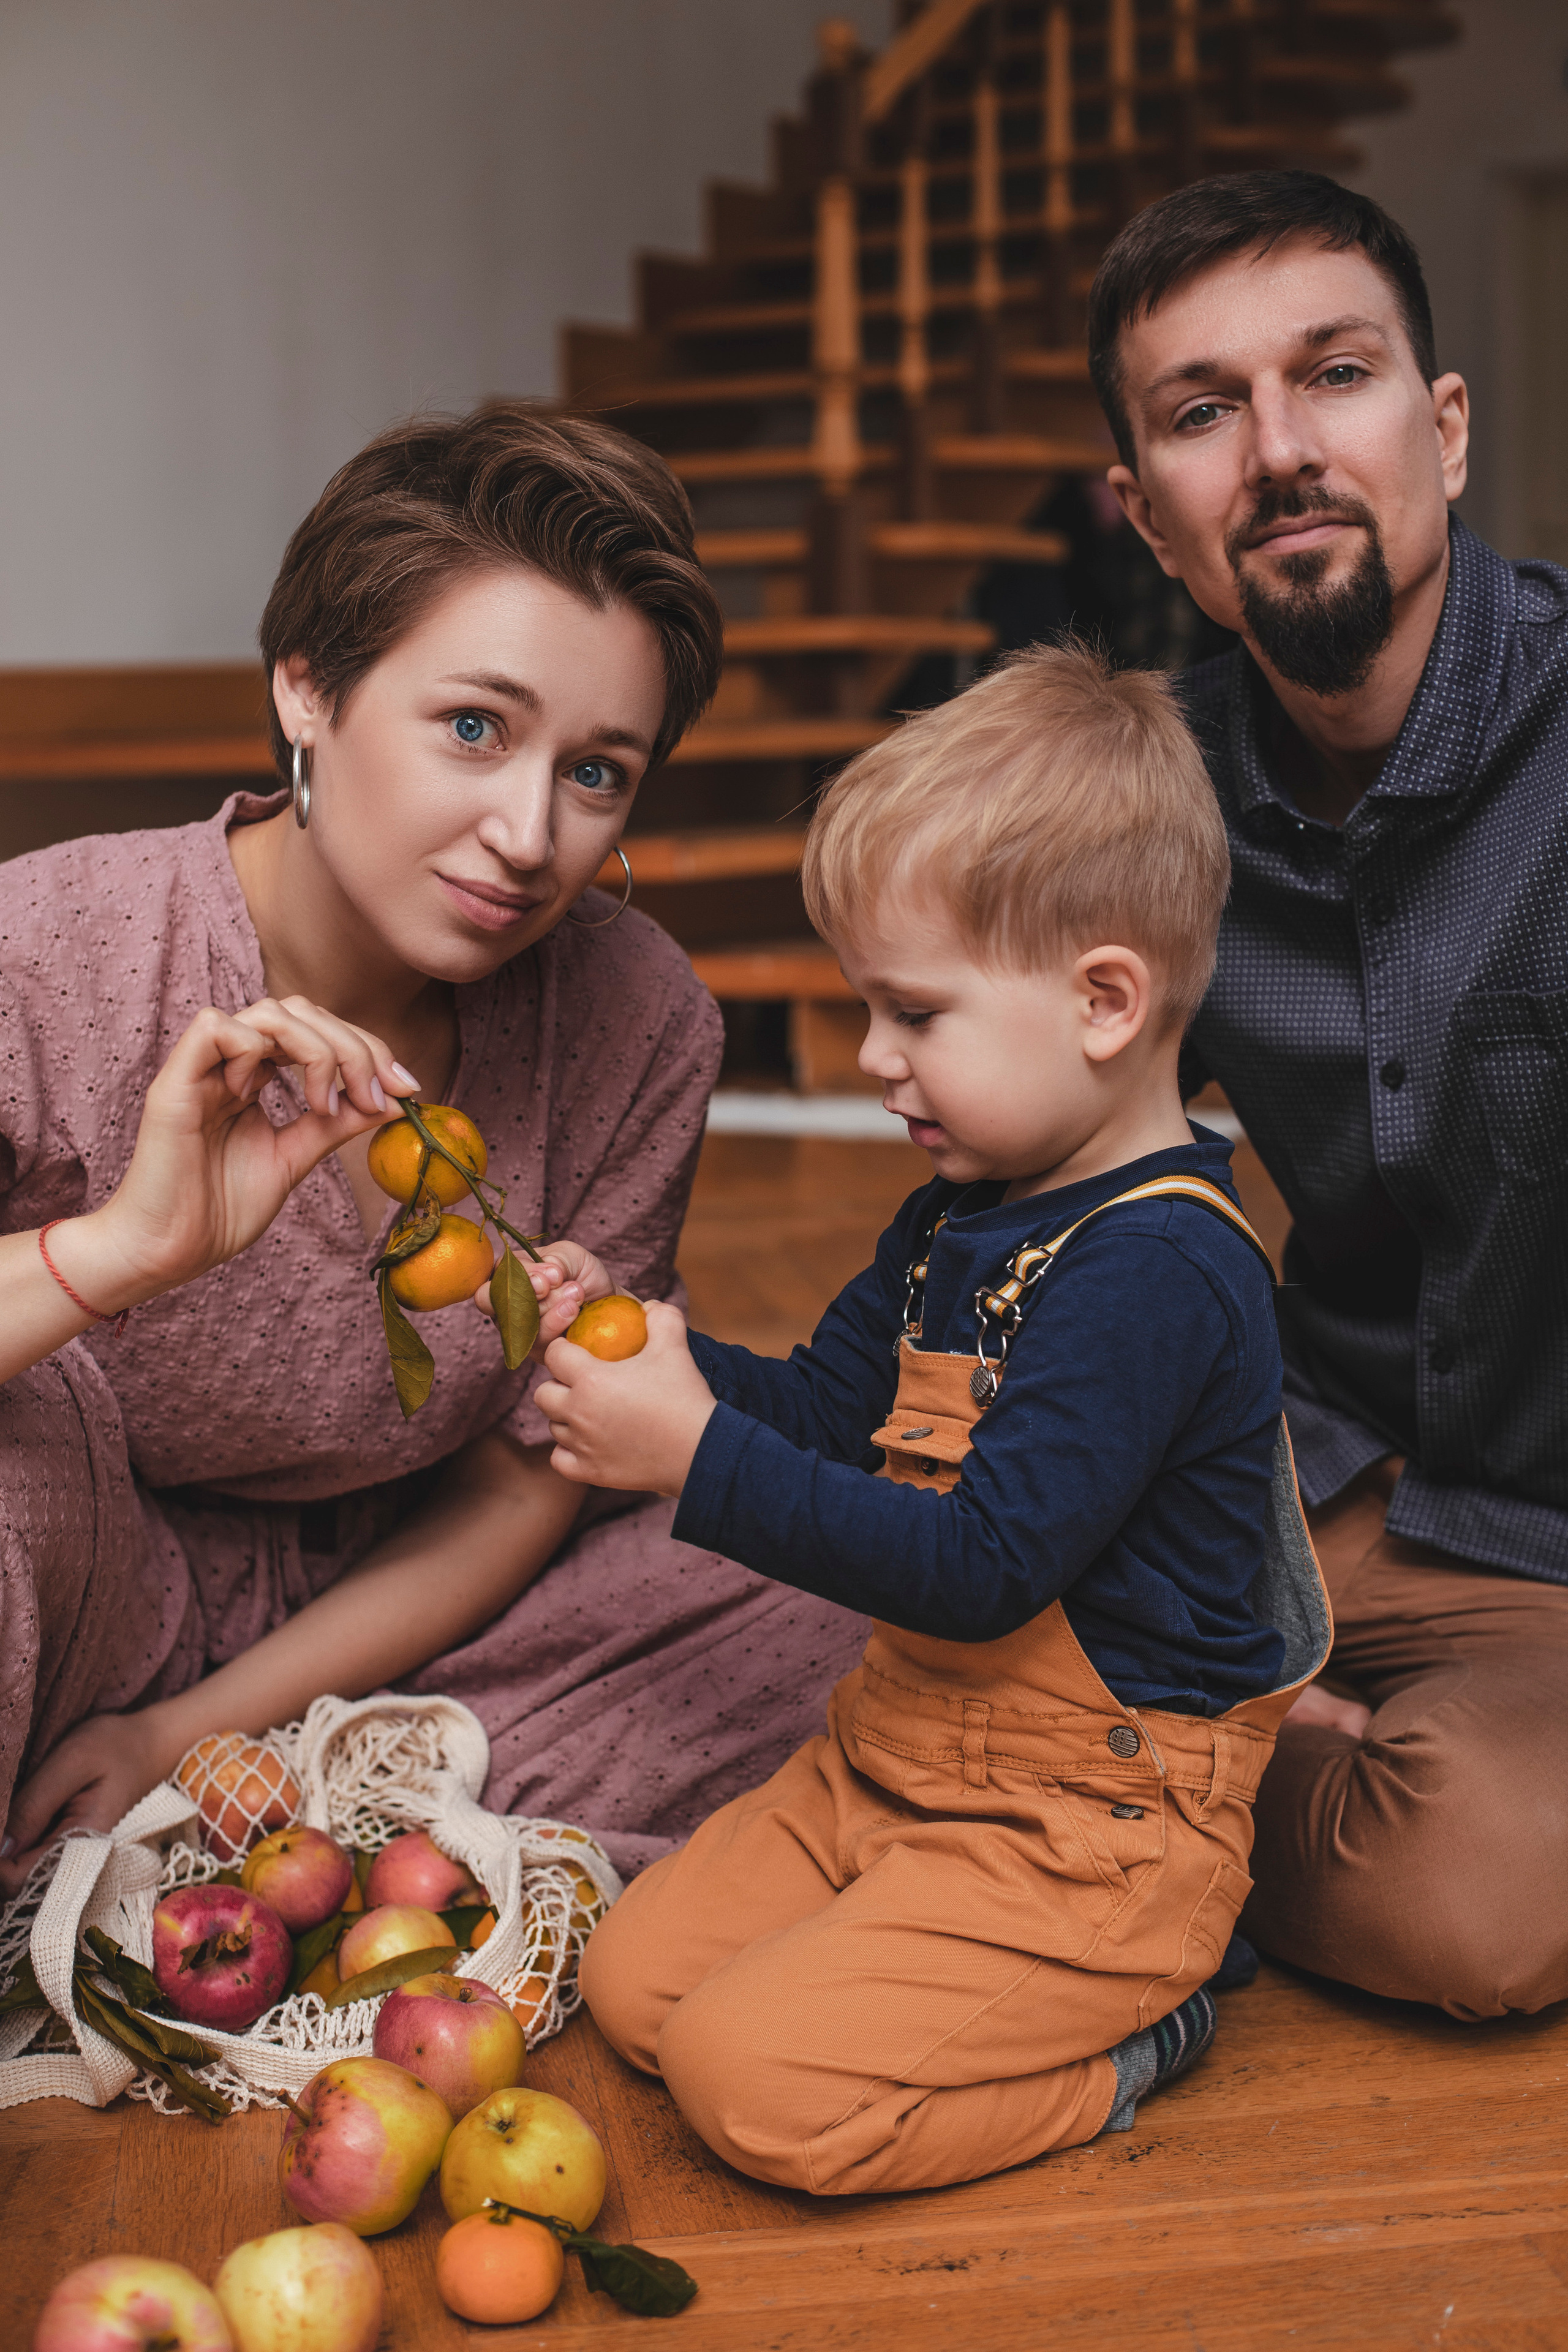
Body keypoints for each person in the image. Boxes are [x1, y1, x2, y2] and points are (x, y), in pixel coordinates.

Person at [0, 404, 870, 1900]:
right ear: (306, 687)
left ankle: (277, 1813)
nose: (529, 834)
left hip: (433, 1630)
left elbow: (524, 1484)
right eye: (474, 727)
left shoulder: (640, 1016)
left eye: (598, 773)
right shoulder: (52, 951)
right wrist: (116, 1256)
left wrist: (183, 1741)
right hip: (79, 1577)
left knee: (838, 1565)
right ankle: (368, 1840)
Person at [520, 644, 1331, 2197]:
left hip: (1086, 1827)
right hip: (895, 1759)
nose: (875, 1059)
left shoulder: (1158, 1270)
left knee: (753, 2091)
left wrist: (687, 1454)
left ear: (1104, 1002)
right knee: (635, 1990)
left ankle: (1133, 2043)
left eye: (913, 1013)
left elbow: (977, 1569)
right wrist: (679, 1363)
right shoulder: (959, 1209)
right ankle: (925, 1958)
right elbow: (830, 1409)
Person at [1088, 170, 1568, 2020]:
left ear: (1441, 431)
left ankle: (1160, 1774)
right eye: (1206, 411)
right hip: (1328, 1487)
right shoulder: (1150, 799)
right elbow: (1046, 1165)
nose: (1280, 452)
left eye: (1337, 375)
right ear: (1150, 514)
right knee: (925, 1602)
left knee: (1474, 1904)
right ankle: (1207, 1726)